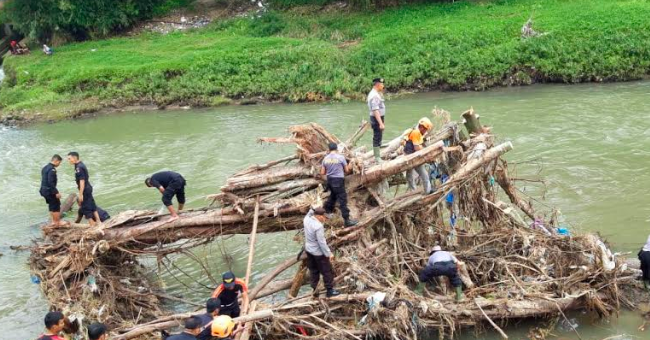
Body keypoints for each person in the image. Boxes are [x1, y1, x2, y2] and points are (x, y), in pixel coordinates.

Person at [304, 207, 340, 297]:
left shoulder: (306, 219)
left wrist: (313, 208)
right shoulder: (318, 226)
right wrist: (329, 254)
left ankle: (315, 290)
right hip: (318, 253)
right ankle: (330, 291)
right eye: (324, 217)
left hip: (309, 250)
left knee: (314, 271)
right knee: (327, 271)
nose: (325, 218)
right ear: (319, 216)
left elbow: (309, 213)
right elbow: (321, 242)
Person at [321, 142, 357, 227]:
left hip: (330, 180)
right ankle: (347, 221)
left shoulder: (325, 159)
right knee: (342, 200)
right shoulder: (340, 157)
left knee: (333, 195)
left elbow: (322, 172)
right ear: (336, 149)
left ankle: (327, 211)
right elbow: (347, 170)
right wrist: (350, 164)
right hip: (338, 180)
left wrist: (330, 170)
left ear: (329, 150)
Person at [68, 152, 101, 225]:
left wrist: (80, 194)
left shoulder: (79, 167)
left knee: (85, 206)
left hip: (85, 189)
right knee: (92, 204)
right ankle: (98, 221)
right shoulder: (79, 165)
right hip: (88, 187)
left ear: (74, 158)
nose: (69, 160)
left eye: (69, 159)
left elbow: (82, 181)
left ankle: (92, 223)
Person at [403, 117, 434, 194]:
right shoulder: (416, 133)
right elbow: (417, 148)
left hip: (409, 155)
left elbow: (418, 144)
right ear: (423, 128)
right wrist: (426, 154)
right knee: (423, 174)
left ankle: (412, 190)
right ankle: (427, 191)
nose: (426, 131)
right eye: (426, 129)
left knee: (409, 174)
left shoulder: (417, 132)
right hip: (412, 157)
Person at [40, 154, 66, 227]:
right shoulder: (52, 169)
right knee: (56, 205)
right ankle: (57, 222)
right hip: (49, 191)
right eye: (59, 162)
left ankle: (53, 221)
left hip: (43, 190)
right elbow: (50, 182)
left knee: (51, 205)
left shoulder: (45, 167)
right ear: (56, 161)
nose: (59, 164)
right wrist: (56, 192)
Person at [367, 77, 386, 162]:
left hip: (378, 117)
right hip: (376, 118)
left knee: (379, 135)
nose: (383, 86)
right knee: (377, 136)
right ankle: (377, 158)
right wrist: (381, 123)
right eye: (382, 84)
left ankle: (379, 149)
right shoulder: (374, 95)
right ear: (378, 84)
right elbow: (375, 110)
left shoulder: (376, 93)